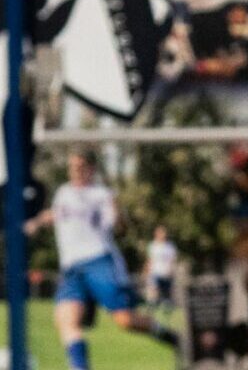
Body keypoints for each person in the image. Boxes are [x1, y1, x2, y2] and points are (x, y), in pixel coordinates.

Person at [24, 149, 180, 369]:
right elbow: (56, 214)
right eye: (72, 167)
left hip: (99, 260)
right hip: (71, 267)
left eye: (80, 167)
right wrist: (36, 222)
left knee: (125, 320)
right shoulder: (64, 192)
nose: (76, 172)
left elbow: (117, 226)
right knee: (65, 319)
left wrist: (118, 217)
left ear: (91, 169)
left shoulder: (102, 195)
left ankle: (174, 338)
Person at [144, 226, 177, 309]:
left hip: (166, 273)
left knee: (166, 292)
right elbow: (149, 259)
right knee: (153, 289)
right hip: (155, 272)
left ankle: (167, 307)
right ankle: (152, 306)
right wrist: (147, 271)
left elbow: (172, 260)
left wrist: (171, 270)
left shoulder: (170, 246)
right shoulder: (152, 246)